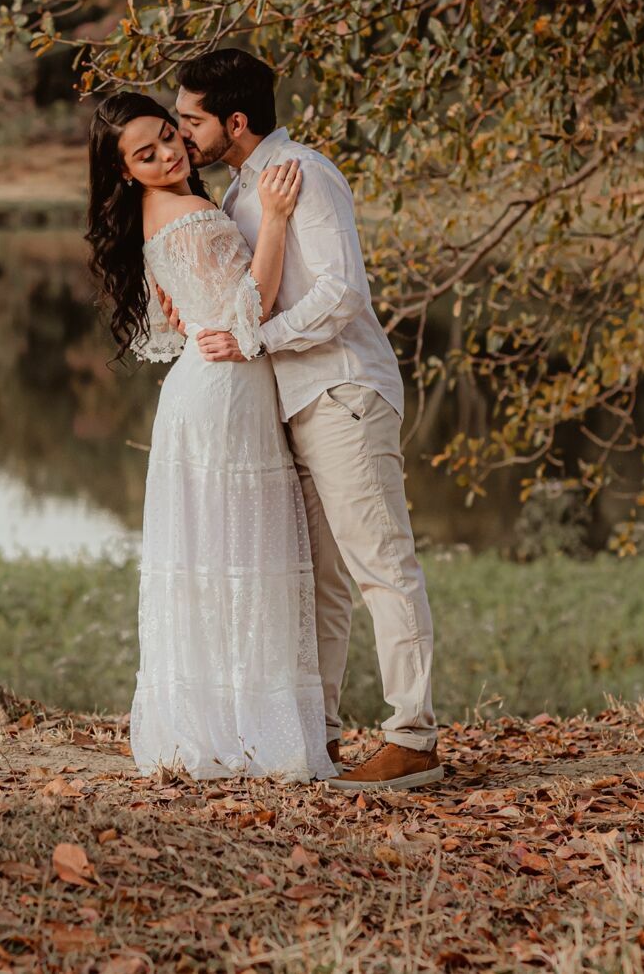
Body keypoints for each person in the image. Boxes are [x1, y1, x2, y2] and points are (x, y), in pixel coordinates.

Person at [171, 47, 443, 791]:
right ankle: (318, 736)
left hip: (344, 395)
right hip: (293, 404)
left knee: (382, 566)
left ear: (235, 119)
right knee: (319, 583)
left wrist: (261, 338)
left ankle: (414, 737)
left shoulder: (306, 176)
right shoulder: (238, 197)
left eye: (191, 119)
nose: (181, 131)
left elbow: (341, 294)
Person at [84, 91, 334, 781]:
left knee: (214, 560)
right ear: (124, 171)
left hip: (205, 386)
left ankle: (224, 724)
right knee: (238, 559)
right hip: (225, 391)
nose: (169, 154)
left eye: (169, 137)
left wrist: (202, 316)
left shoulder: (156, 214)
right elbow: (249, 311)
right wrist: (277, 221)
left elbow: (190, 318)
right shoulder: (191, 214)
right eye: (147, 153)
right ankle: (250, 733)